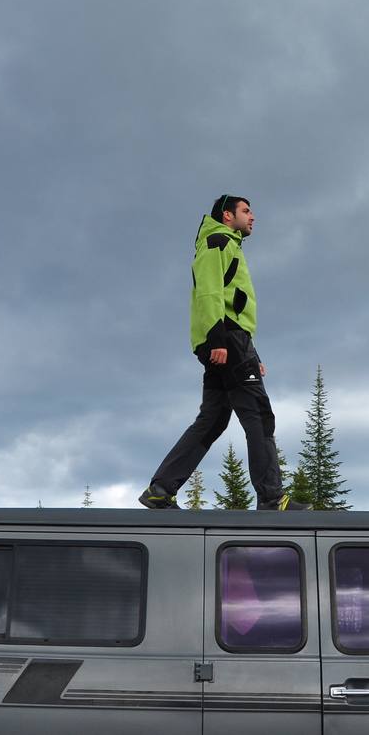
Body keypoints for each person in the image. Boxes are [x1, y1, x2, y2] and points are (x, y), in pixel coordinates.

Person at [139, 194, 308, 511]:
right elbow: (209, 291)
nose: (253, 216)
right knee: (259, 415)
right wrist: (218, 339)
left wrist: (252, 354)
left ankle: (160, 490)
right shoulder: (217, 241)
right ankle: (272, 498)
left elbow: (232, 302)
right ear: (227, 216)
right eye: (246, 211)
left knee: (214, 419)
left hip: (230, 339)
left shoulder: (228, 245)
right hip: (226, 339)